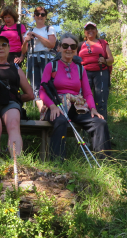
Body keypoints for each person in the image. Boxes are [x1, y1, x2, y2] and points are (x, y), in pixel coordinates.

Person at [40, 33, 112, 161]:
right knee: (60, 121)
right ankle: (57, 162)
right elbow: (42, 90)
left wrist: (93, 109)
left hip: (77, 106)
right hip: (56, 104)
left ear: (76, 49)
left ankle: (105, 162)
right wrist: (52, 107)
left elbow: (88, 93)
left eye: (72, 46)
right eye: (65, 45)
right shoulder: (51, 66)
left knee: (99, 123)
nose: (69, 49)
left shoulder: (80, 69)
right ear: (60, 48)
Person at [22, 6, 56, 111]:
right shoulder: (29, 30)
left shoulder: (49, 29)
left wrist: (36, 35)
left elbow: (51, 44)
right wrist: (26, 41)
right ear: (34, 16)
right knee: (35, 85)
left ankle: (50, 107)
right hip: (32, 58)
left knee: (47, 84)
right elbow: (23, 51)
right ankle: (42, 111)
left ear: (45, 17)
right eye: (37, 14)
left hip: (46, 58)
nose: (39, 16)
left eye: (42, 14)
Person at [78, 22, 114, 120]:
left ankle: (102, 124)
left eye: (92, 28)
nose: (90, 31)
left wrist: (105, 61)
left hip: (101, 72)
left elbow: (111, 60)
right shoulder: (80, 45)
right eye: (87, 29)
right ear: (85, 32)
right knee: (84, 98)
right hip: (84, 73)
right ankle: (86, 123)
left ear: (96, 31)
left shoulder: (102, 42)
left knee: (101, 99)